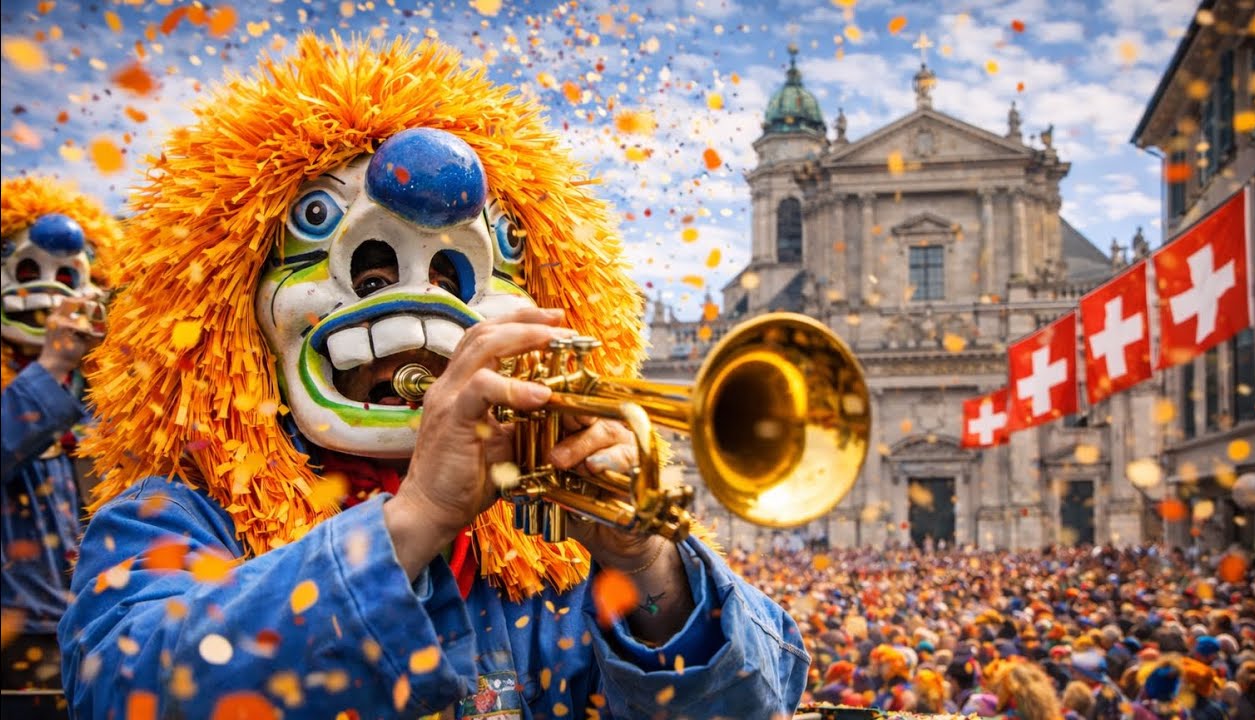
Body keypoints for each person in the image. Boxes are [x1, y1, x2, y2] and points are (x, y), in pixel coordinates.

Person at [56, 34, 810, 718]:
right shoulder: (170, 517)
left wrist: (650, 569)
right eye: (371, 273)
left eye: (456, 277)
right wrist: (416, 517)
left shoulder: (551, 546)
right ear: (230, 313)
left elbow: (754, 707)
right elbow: (134, 694)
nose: (421, 310)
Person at [2, 176, 120, 718]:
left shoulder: (98, 385)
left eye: (68, 276)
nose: (49, 292)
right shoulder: (52, 371)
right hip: (16, 630)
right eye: (28, 272)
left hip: (91, 624)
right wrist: (51, 365)